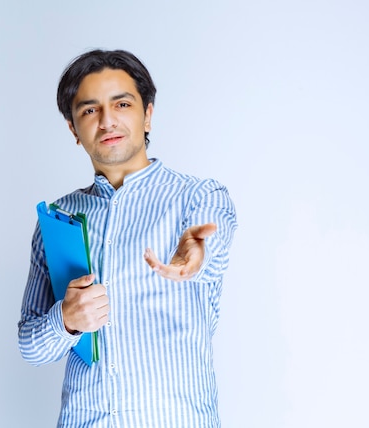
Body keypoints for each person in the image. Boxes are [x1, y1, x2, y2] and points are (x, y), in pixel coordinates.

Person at [18, 49, 237, 427]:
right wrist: (66, 320)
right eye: (89, 110)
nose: (107, 121)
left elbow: (210, 248)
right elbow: (30, 346)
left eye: (121, 103)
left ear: (148, 114)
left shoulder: (198, 198)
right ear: (73, 129)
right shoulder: (57, 219)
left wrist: (196, 255)